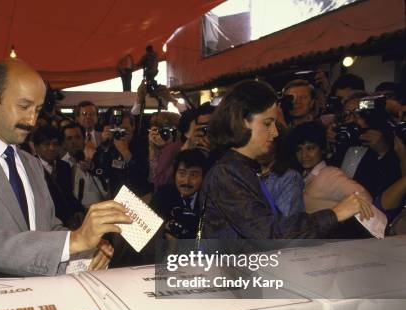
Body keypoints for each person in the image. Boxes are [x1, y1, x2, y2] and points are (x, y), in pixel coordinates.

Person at [0, 59, 130, 282]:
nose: (32, 119)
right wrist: (76, 240)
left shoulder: (30, 162)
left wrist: (88, 249)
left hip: (43, 296)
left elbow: (47, 228)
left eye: (38, 109)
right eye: (24, 106)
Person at [201, 79, 373, 239]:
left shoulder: (242, 169)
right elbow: (268, 234)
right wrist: (335, 214)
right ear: (243, 120)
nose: (275, 133)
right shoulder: (226, 173)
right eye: (267, 123)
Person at [151, 149, 208, 239]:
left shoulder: (210, 202)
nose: (186, 181)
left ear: (203, 177)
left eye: (193, 175)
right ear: (174, 174)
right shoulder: (162, 195)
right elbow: (149, 228)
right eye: (182, 173)